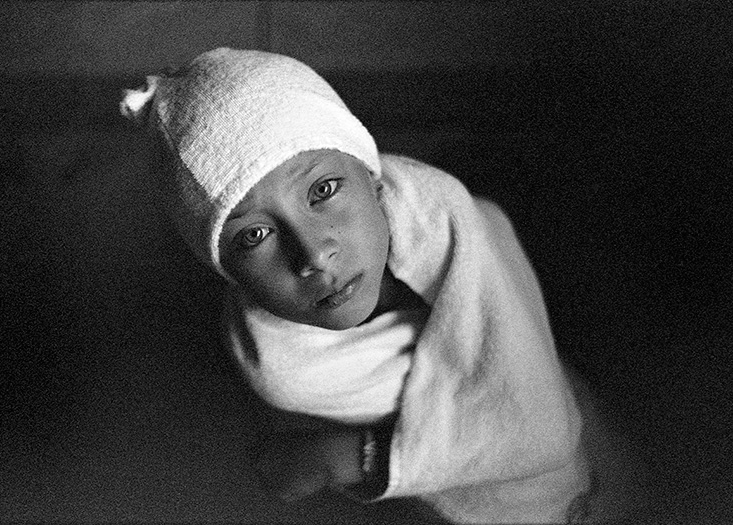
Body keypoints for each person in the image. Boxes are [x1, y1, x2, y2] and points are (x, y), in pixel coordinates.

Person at [120, 48, 644, 523]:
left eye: (324, 190)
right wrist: (369, 455)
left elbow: (534, 409)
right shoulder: (284, 368)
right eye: (255, 235)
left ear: (372, 178)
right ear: (228, 273)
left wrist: (351, 457)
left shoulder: (437, 209)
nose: (314, 254)